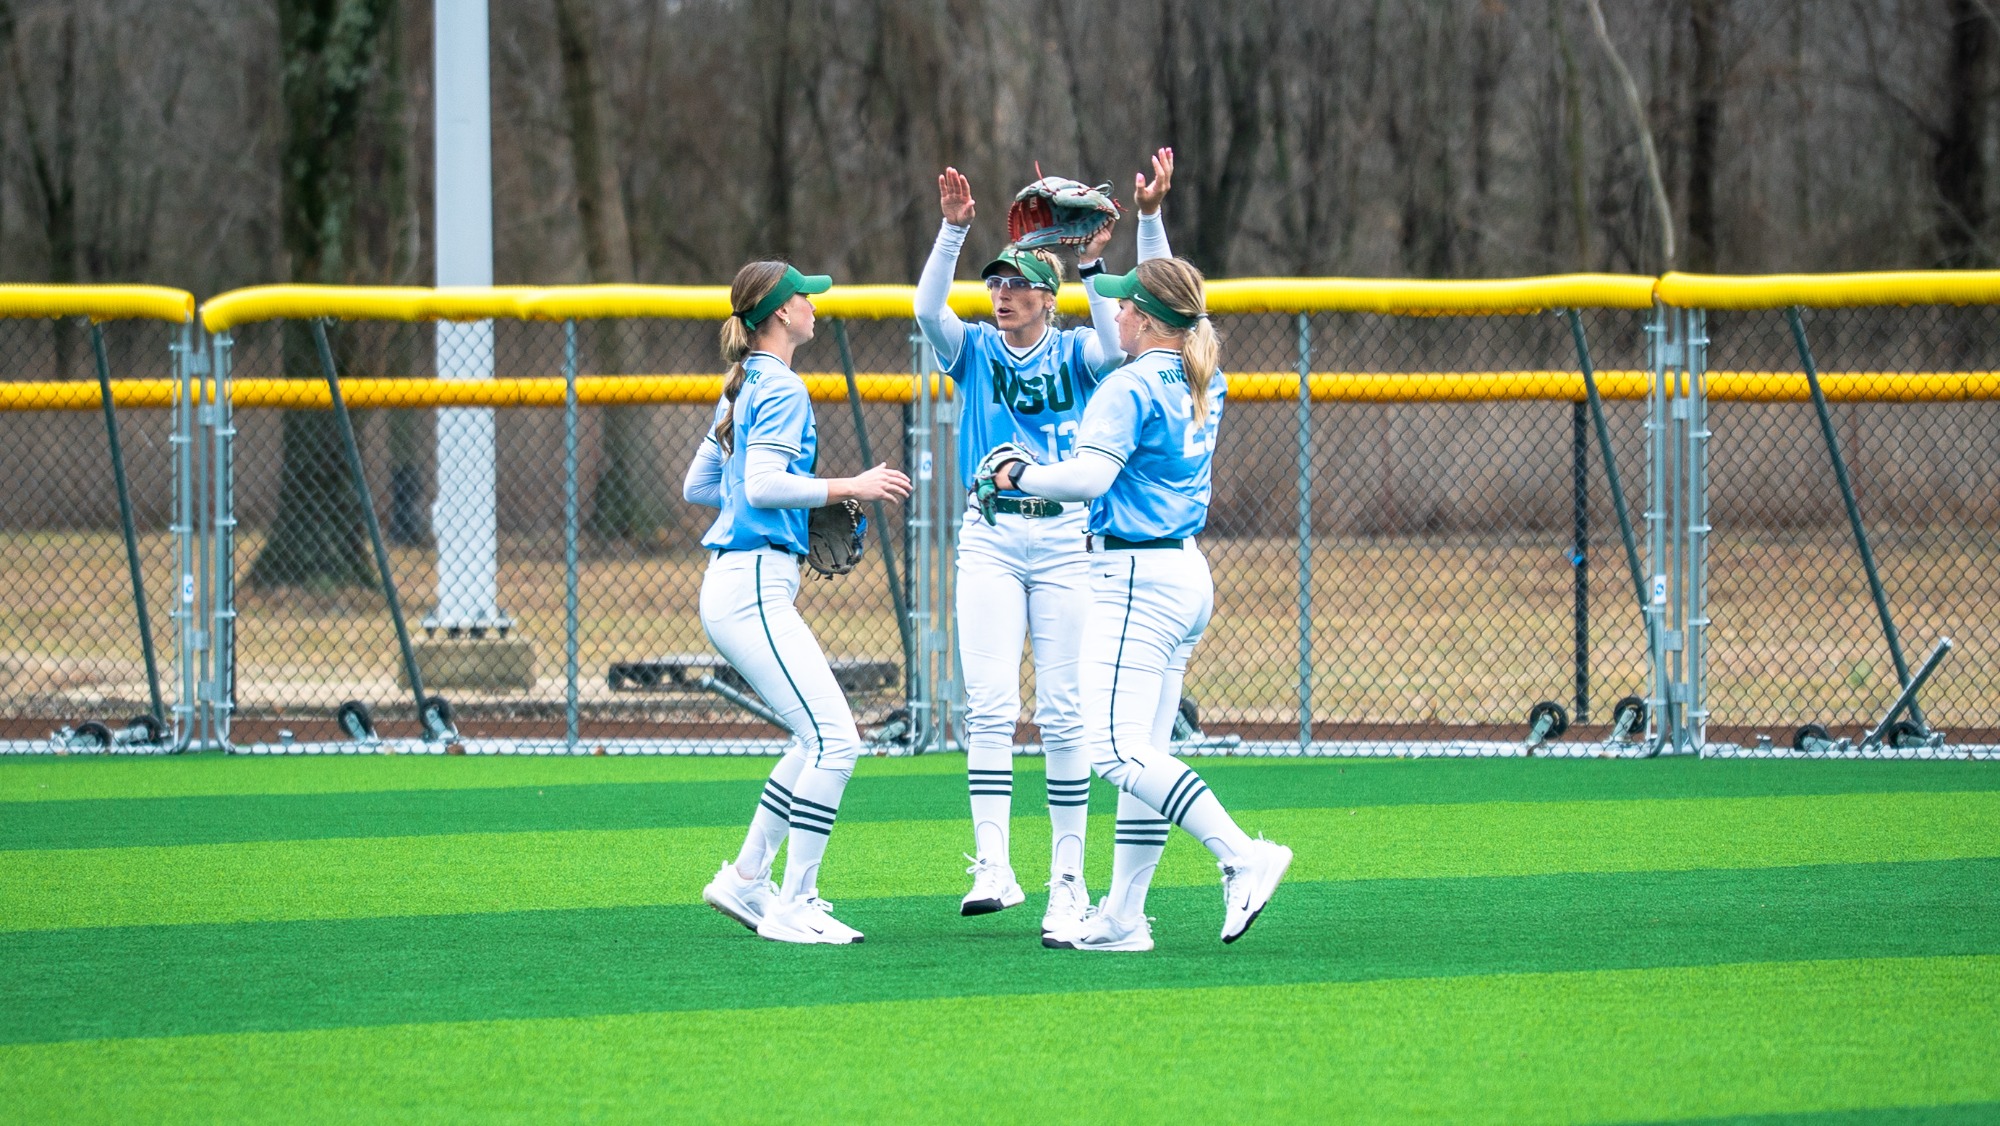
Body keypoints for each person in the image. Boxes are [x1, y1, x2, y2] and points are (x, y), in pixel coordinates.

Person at [983, 256, 1291, 952]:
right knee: (1144, 753)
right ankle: (1122, 916)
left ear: (1148, 320)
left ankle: (1243, 855)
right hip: (1183, 573)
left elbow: (1090, 478)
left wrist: (1018, 473)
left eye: (1125, 305)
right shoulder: (1200, 373)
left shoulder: (1127, 385)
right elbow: (1178, 285)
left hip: (1135, 581)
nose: (1114, 312)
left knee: (1115, 751)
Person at [917, 150, 1177, 937]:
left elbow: (1114, 338)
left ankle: (1069, 878)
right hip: (991, 538)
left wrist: (1097, 259)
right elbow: (929, 314)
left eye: (1018, 284)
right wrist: (951, 233)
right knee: (990, 705)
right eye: (996, 283)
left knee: (1065, 715)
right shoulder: (979, 352)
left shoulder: (1080, 354)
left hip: (1066, 541)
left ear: (1047, 297)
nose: (1002, 295)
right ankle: (994, 864)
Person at [688, 260, 912, 945]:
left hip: (743, 581)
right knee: (837, 742)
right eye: (804, 298)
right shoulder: (779, 385)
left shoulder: (744, 383)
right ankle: (794, 902)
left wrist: (785, 502)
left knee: (813, 738)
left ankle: (747, 879)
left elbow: (705, 485)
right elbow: (757, 487)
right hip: (753, 583)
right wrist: (849, 487)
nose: (814, 306)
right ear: (780, 313)